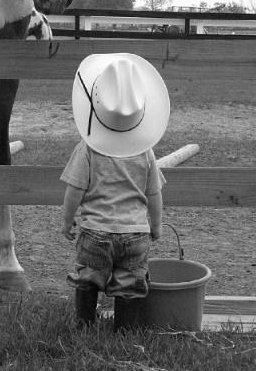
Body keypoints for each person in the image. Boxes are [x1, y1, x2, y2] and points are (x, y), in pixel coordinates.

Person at [60, 53, 170, 328]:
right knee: (130, 285)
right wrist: (155, 225)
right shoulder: (145, 152)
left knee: (87, 281)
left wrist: (66, 220)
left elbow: (74, 189)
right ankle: (124, 330)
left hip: (95, 231)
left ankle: (85, 325)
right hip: (135, 235)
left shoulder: (86, 149)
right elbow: (154, 193)